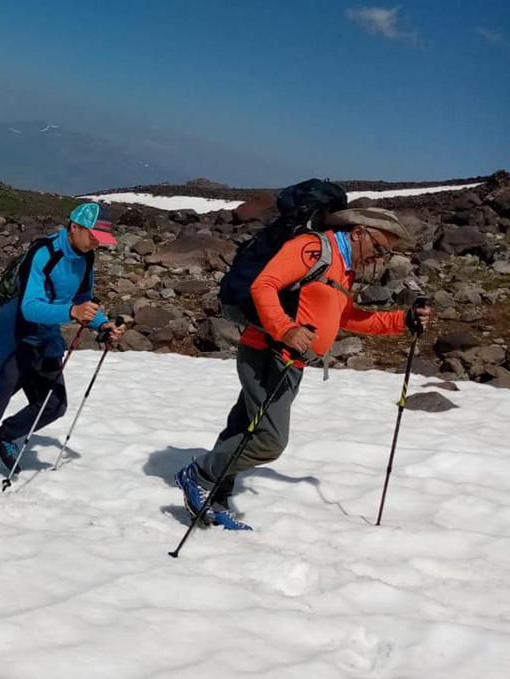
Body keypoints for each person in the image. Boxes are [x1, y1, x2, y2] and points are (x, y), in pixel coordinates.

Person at [176, 207, 432, 530]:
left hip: (291, 364)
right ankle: (197, 474)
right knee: (270, 439)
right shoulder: (313, 248)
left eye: (386, 253)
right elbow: (264, 286)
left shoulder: (343, 268)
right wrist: (286, 329)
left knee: (243, 429)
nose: (379, 258)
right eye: (380, 248)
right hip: (267, 353)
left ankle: (215, 498)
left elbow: (347, 316)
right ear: (358, 232)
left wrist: (402, 320)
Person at [0, 203, 124, 489]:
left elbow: (85, 300)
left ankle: (4, 437)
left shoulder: (87, 259)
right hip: (15, 334)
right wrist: (71, 313)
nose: (97, 243)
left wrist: (103, 325)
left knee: (54, 404)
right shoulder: (45, 253)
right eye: (93, 235)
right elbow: (30, 306)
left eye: (100, 239)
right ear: (74, 227)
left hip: (45, 338)